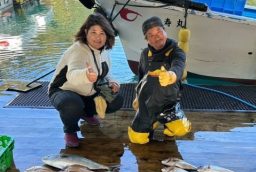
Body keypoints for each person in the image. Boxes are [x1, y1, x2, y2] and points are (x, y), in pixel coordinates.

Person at [48, 13, 123, 147]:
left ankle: (86, 112)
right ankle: (70, 131)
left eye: (102, 33)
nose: (98, 37)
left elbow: (106, 72)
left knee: (116, 99)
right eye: (93, 32)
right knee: (72, 104)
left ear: (107, 35)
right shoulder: (78, 50)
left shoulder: (103, 51)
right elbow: (71, 75)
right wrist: (85, 75)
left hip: (88, 92)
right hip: (63, 90)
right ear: (86, 32)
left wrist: (114, 82)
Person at [128, 16, 191, 144]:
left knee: (182, 129)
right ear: (147, 40)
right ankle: (153, 121)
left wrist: (171, 75)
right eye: (150, 35)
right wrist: (136, 96)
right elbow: (141, 76)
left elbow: (178, 65)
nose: (156, 37)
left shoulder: (176, 51)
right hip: (148, 105)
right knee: (137, 139)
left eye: (159, 31)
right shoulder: (145, 54)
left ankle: (168, 124)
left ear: (165, 31)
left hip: (169, 104)